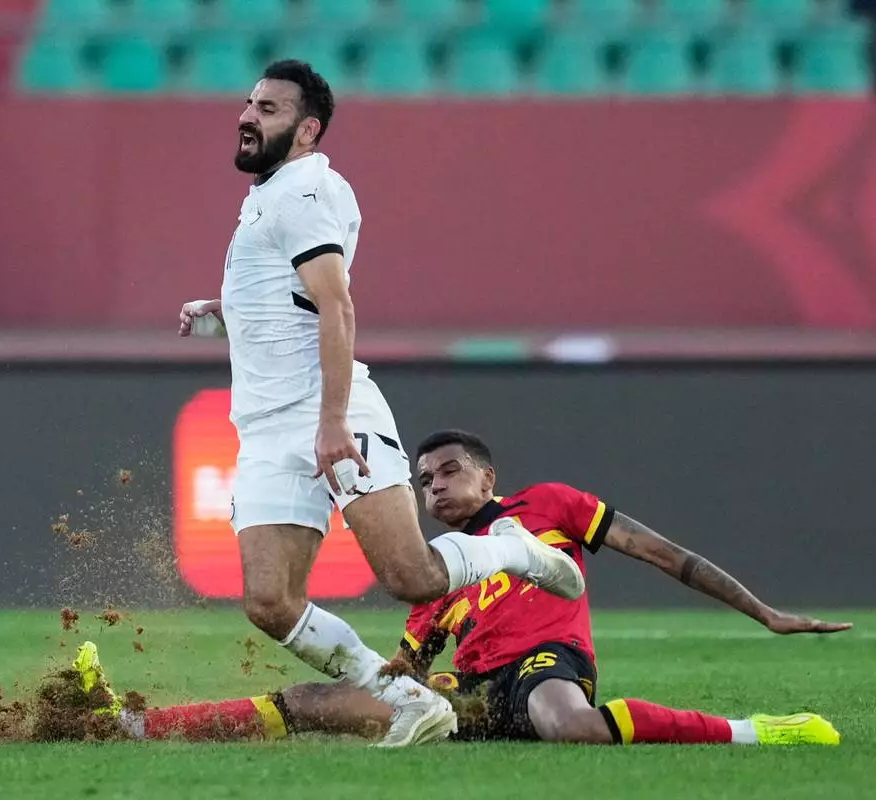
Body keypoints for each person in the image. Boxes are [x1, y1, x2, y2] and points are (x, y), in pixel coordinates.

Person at [177, 61, 585, 747]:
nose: (248, 116)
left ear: (306, 130)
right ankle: (405, 698)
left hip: (326, 411)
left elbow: (337, 304)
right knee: (270, 601)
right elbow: (298, 302)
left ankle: (511, 550)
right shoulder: (275, 191)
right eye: (248, 103)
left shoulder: (303, 192)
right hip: (267, 426)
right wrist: (227, 313)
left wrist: (333, 421)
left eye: (269, 109)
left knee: (413, 578)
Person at [78, 429, 849, 746]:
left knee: (564, 720)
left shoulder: (548, 507)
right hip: (468, 689)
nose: (435, 486)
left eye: (450, 471)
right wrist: (403, 677)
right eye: (422, 480)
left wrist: (763, 611)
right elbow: (415, 660)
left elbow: (661, 553)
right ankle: (132, 725)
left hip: (548, 661)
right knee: (314, 703)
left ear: (489, 476)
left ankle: (761, 731)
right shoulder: (434, 571)